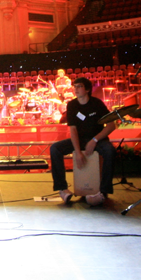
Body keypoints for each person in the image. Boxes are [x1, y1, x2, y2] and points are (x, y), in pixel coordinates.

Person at [49, 77, 117, 206]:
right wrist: (78, 151)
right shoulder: (72, 105)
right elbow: (73, 130)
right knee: (55, 148)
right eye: (75, 86)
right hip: (79, 140)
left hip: (97, 139)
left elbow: (111, 125)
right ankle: (62, 189)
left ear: (87, 89)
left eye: (79, 86)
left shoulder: (97, 103)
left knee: (110, 150)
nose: (75, 89)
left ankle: (103, 192)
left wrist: (95, 140)